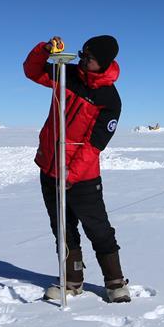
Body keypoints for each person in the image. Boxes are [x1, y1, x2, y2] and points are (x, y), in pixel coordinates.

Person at [23, 34, 130, 303]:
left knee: (98, 228)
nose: (82, 60)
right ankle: (72, 281)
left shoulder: (109, 99)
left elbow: (95, 145)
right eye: (82, 54)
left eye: (89, 58)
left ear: (103, 62)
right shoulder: (65, 73)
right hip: (49, 167)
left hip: (82, 176)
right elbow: (31, 70)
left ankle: (115, 282)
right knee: (63, 228)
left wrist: (71, 173)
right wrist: (45, 49)